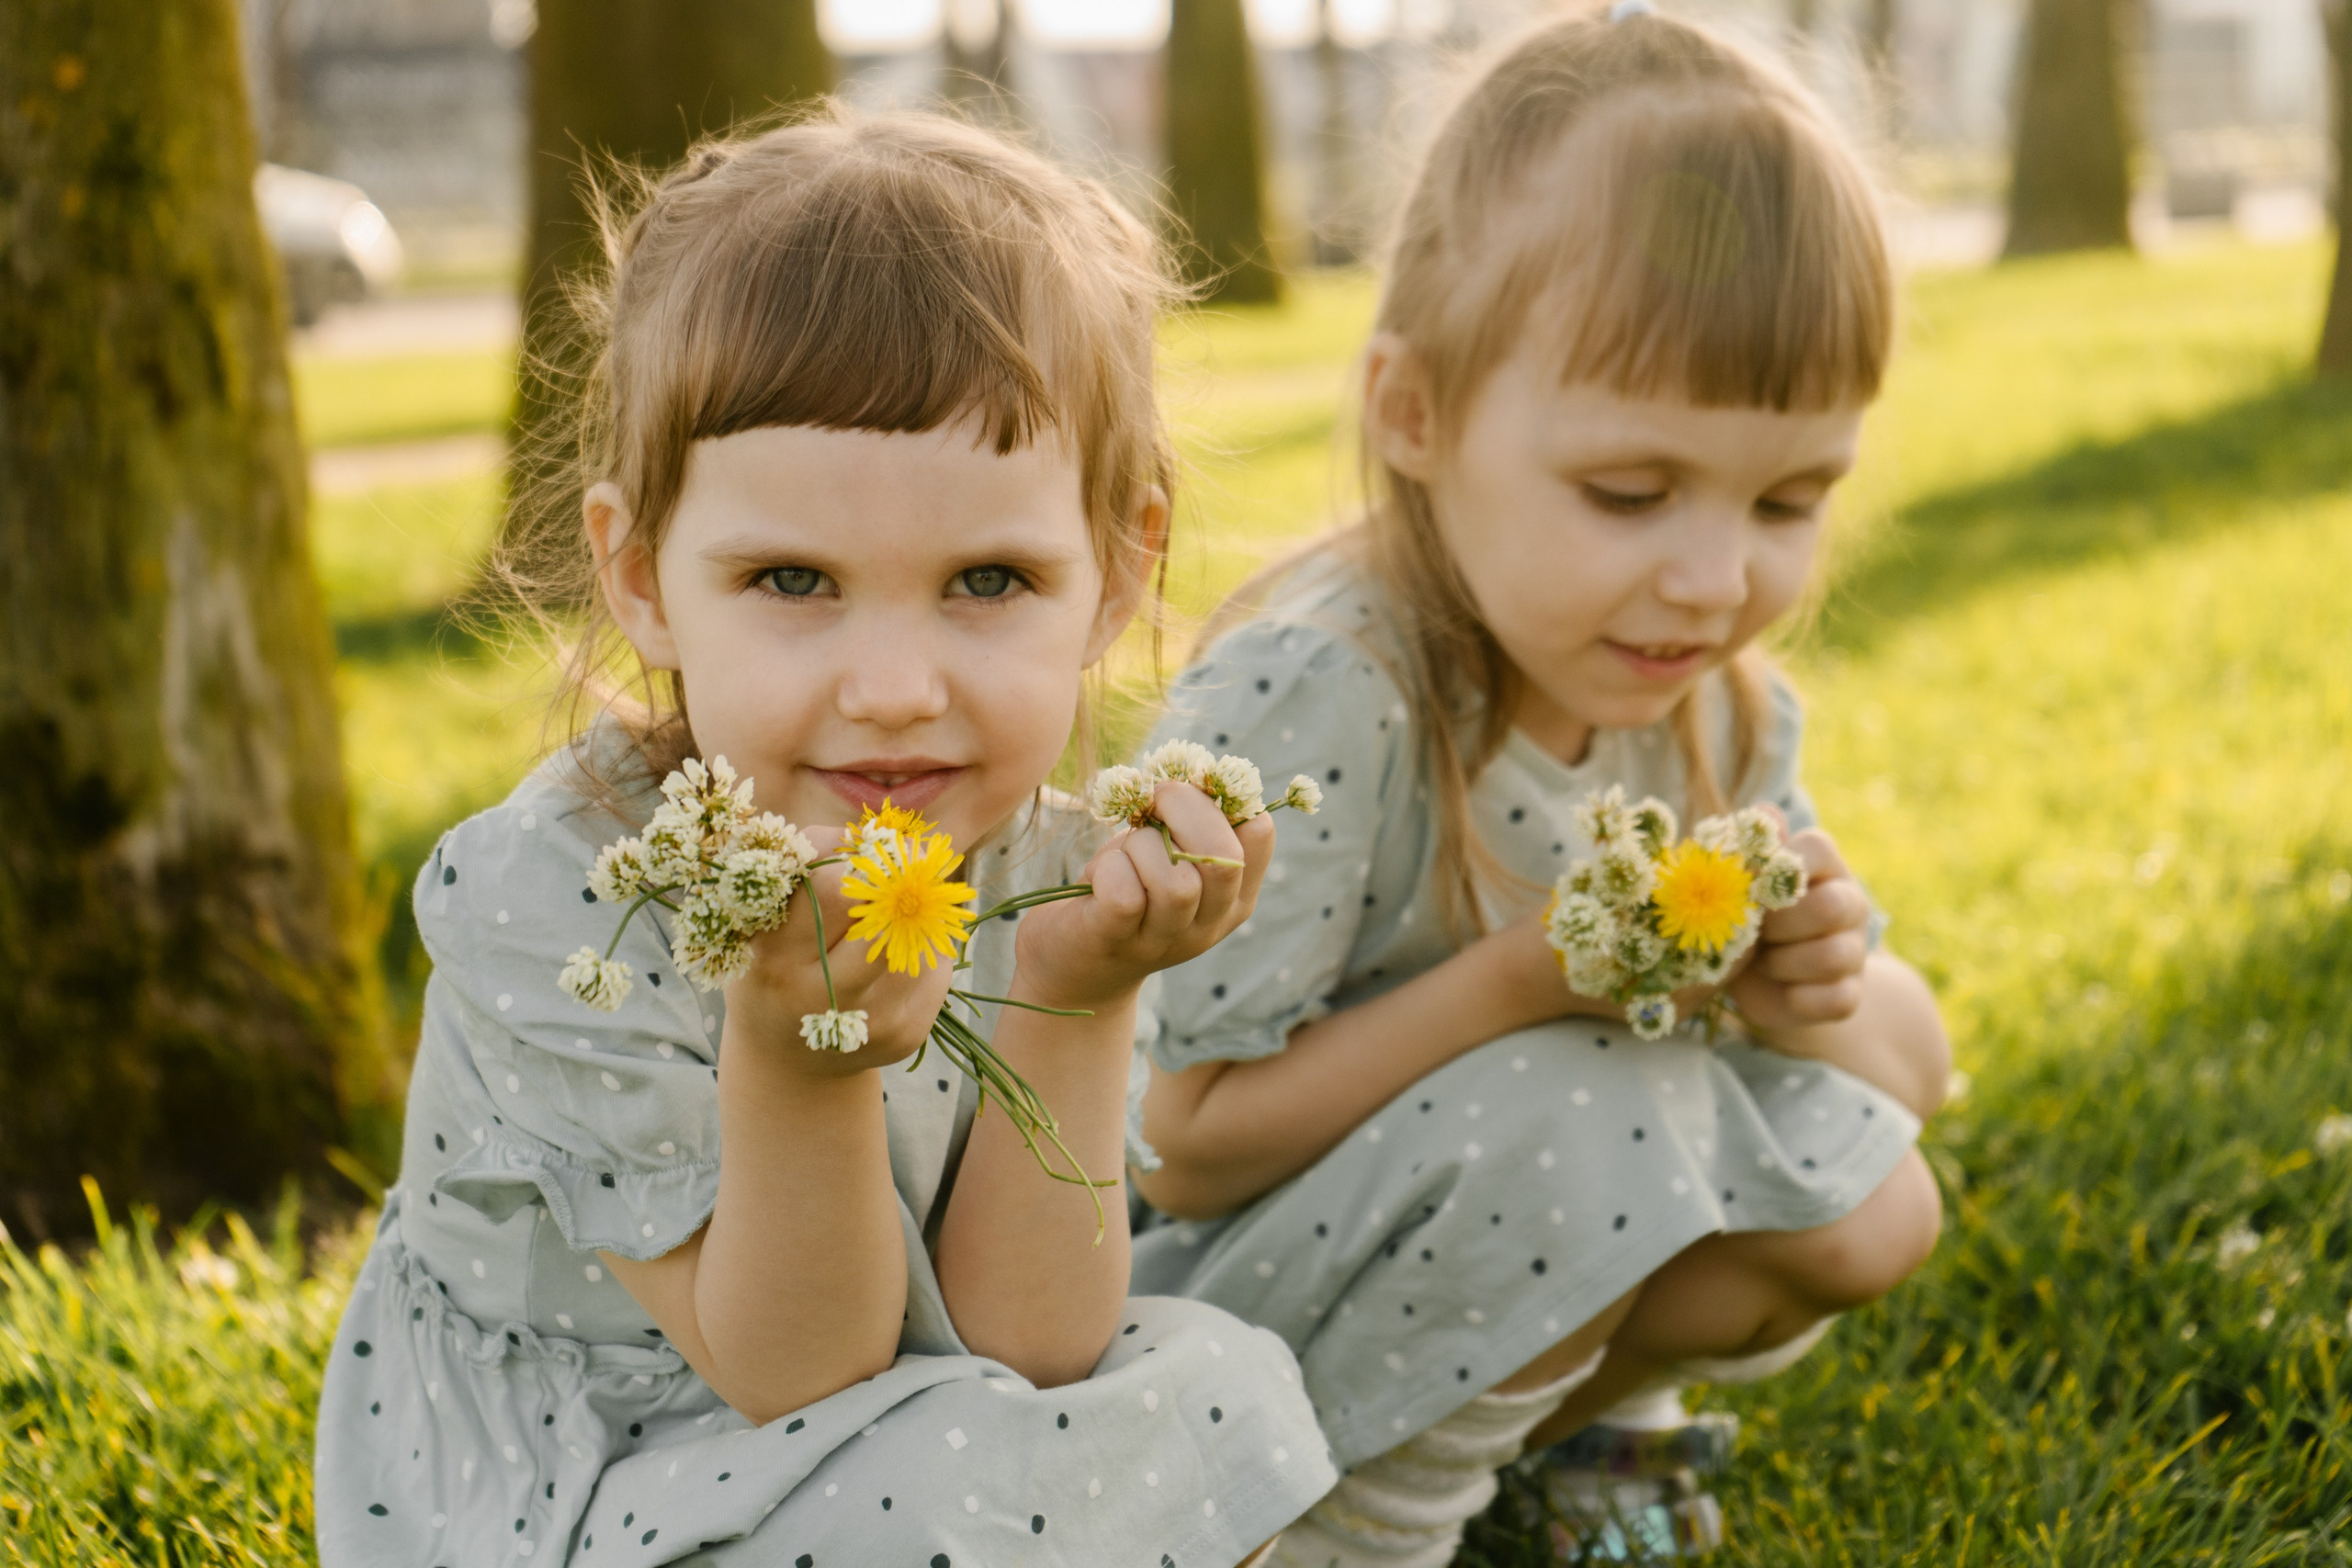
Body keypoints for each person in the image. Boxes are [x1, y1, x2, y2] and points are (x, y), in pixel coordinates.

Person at [312, 109, 1336, 1568]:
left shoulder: (1040, 860)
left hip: (892, 1430)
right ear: (643, 574)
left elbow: (1031, 1345)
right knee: (971, 1484)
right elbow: (794, 1374)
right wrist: (799, 1071)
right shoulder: (550, 897)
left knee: (1219, 1389)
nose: (897, 689)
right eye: (794, 578)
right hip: (585, 1492)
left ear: (1117, 572)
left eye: (988, 578)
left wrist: (1082, 992)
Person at [1126, 8, 1951, 1564]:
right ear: (1416, 414)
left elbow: (1911, 1064)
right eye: (1629, 492)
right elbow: (1172, 1141)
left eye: (1790, 498)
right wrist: (1522, 979)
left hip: (1510, 1206)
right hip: (1214, 1291)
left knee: (1871, 1200)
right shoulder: (1324, 697)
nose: (1713, 580)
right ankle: (1340, 1524)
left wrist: (1807, 990)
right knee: (1600, 1092)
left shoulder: (1708, 705)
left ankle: (1537, 1427)